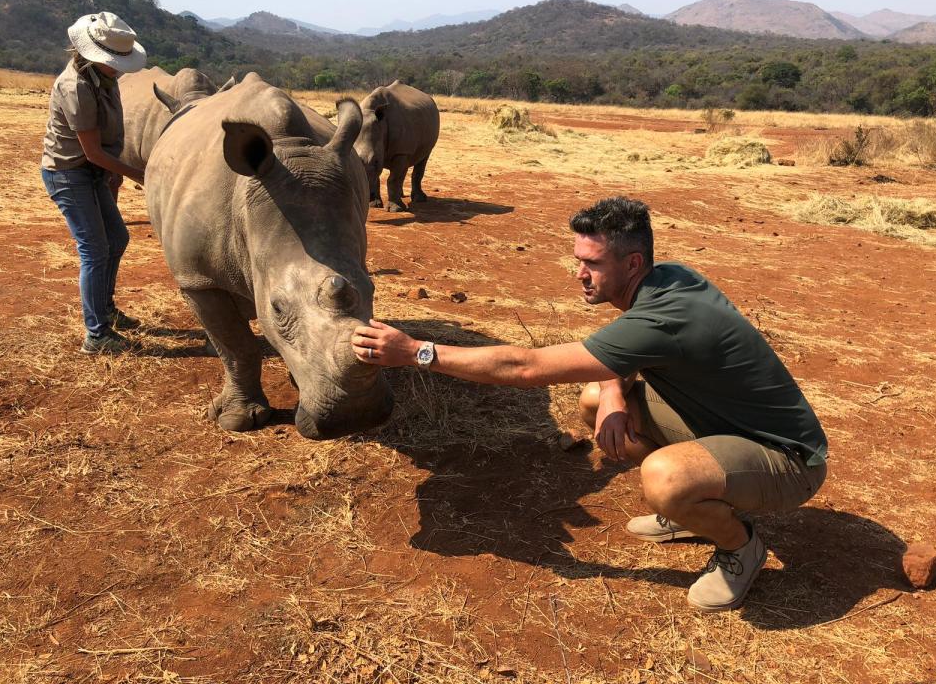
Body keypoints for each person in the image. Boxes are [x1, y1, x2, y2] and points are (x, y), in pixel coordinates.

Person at [351, 196, 828, 612]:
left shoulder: (665, 316)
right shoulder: (668, 278)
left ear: (633, 264)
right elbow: (626, 353)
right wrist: (616, 391)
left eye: (593, 263)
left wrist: (417, 352)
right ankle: (692, 511)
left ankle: (739, 546)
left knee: (665, 478)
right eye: (577, 258)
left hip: (786, 459)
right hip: (724, 426)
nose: (579, 273)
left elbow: (525, 368)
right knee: (596, 396)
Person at [41, 12, 147, 355]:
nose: (119, 67)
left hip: (92, 171)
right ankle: (97, 334)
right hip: (69, 173)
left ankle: (105, 309)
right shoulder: (76, 87)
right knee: (94, 250)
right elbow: (91, 151)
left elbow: (106, 143)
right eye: (115, 61)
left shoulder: (104, 78)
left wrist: (115, 169)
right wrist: (138, 174)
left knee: (117, 237)